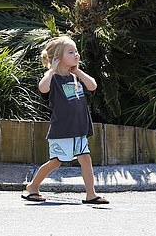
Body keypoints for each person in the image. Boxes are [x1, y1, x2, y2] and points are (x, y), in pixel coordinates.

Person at [21, 36, 109, 204]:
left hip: (79, 128)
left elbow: (92, 86)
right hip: (62, 130)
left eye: (76, 51)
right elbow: (42, 88)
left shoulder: (75, 77)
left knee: (85, 158)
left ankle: (91, 194)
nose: (76, 54)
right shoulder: (53, 79)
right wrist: (52, 69)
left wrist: (77, 71)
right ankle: (32, 187)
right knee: (55, 162)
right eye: (71, 52)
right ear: (57, 58)